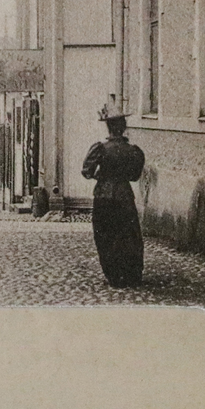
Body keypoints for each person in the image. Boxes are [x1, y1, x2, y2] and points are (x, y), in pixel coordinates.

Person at [81, 98, 146, 288]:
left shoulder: (100, 149)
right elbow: (134, 176)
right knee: (128, 236)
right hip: (125, 196)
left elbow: (86, 171)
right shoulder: (133, 151)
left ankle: (113, 275)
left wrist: (102, 176)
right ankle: (131, 275)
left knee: (105, 235)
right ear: (123, 127)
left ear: (108, 128)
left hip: (103, 197)